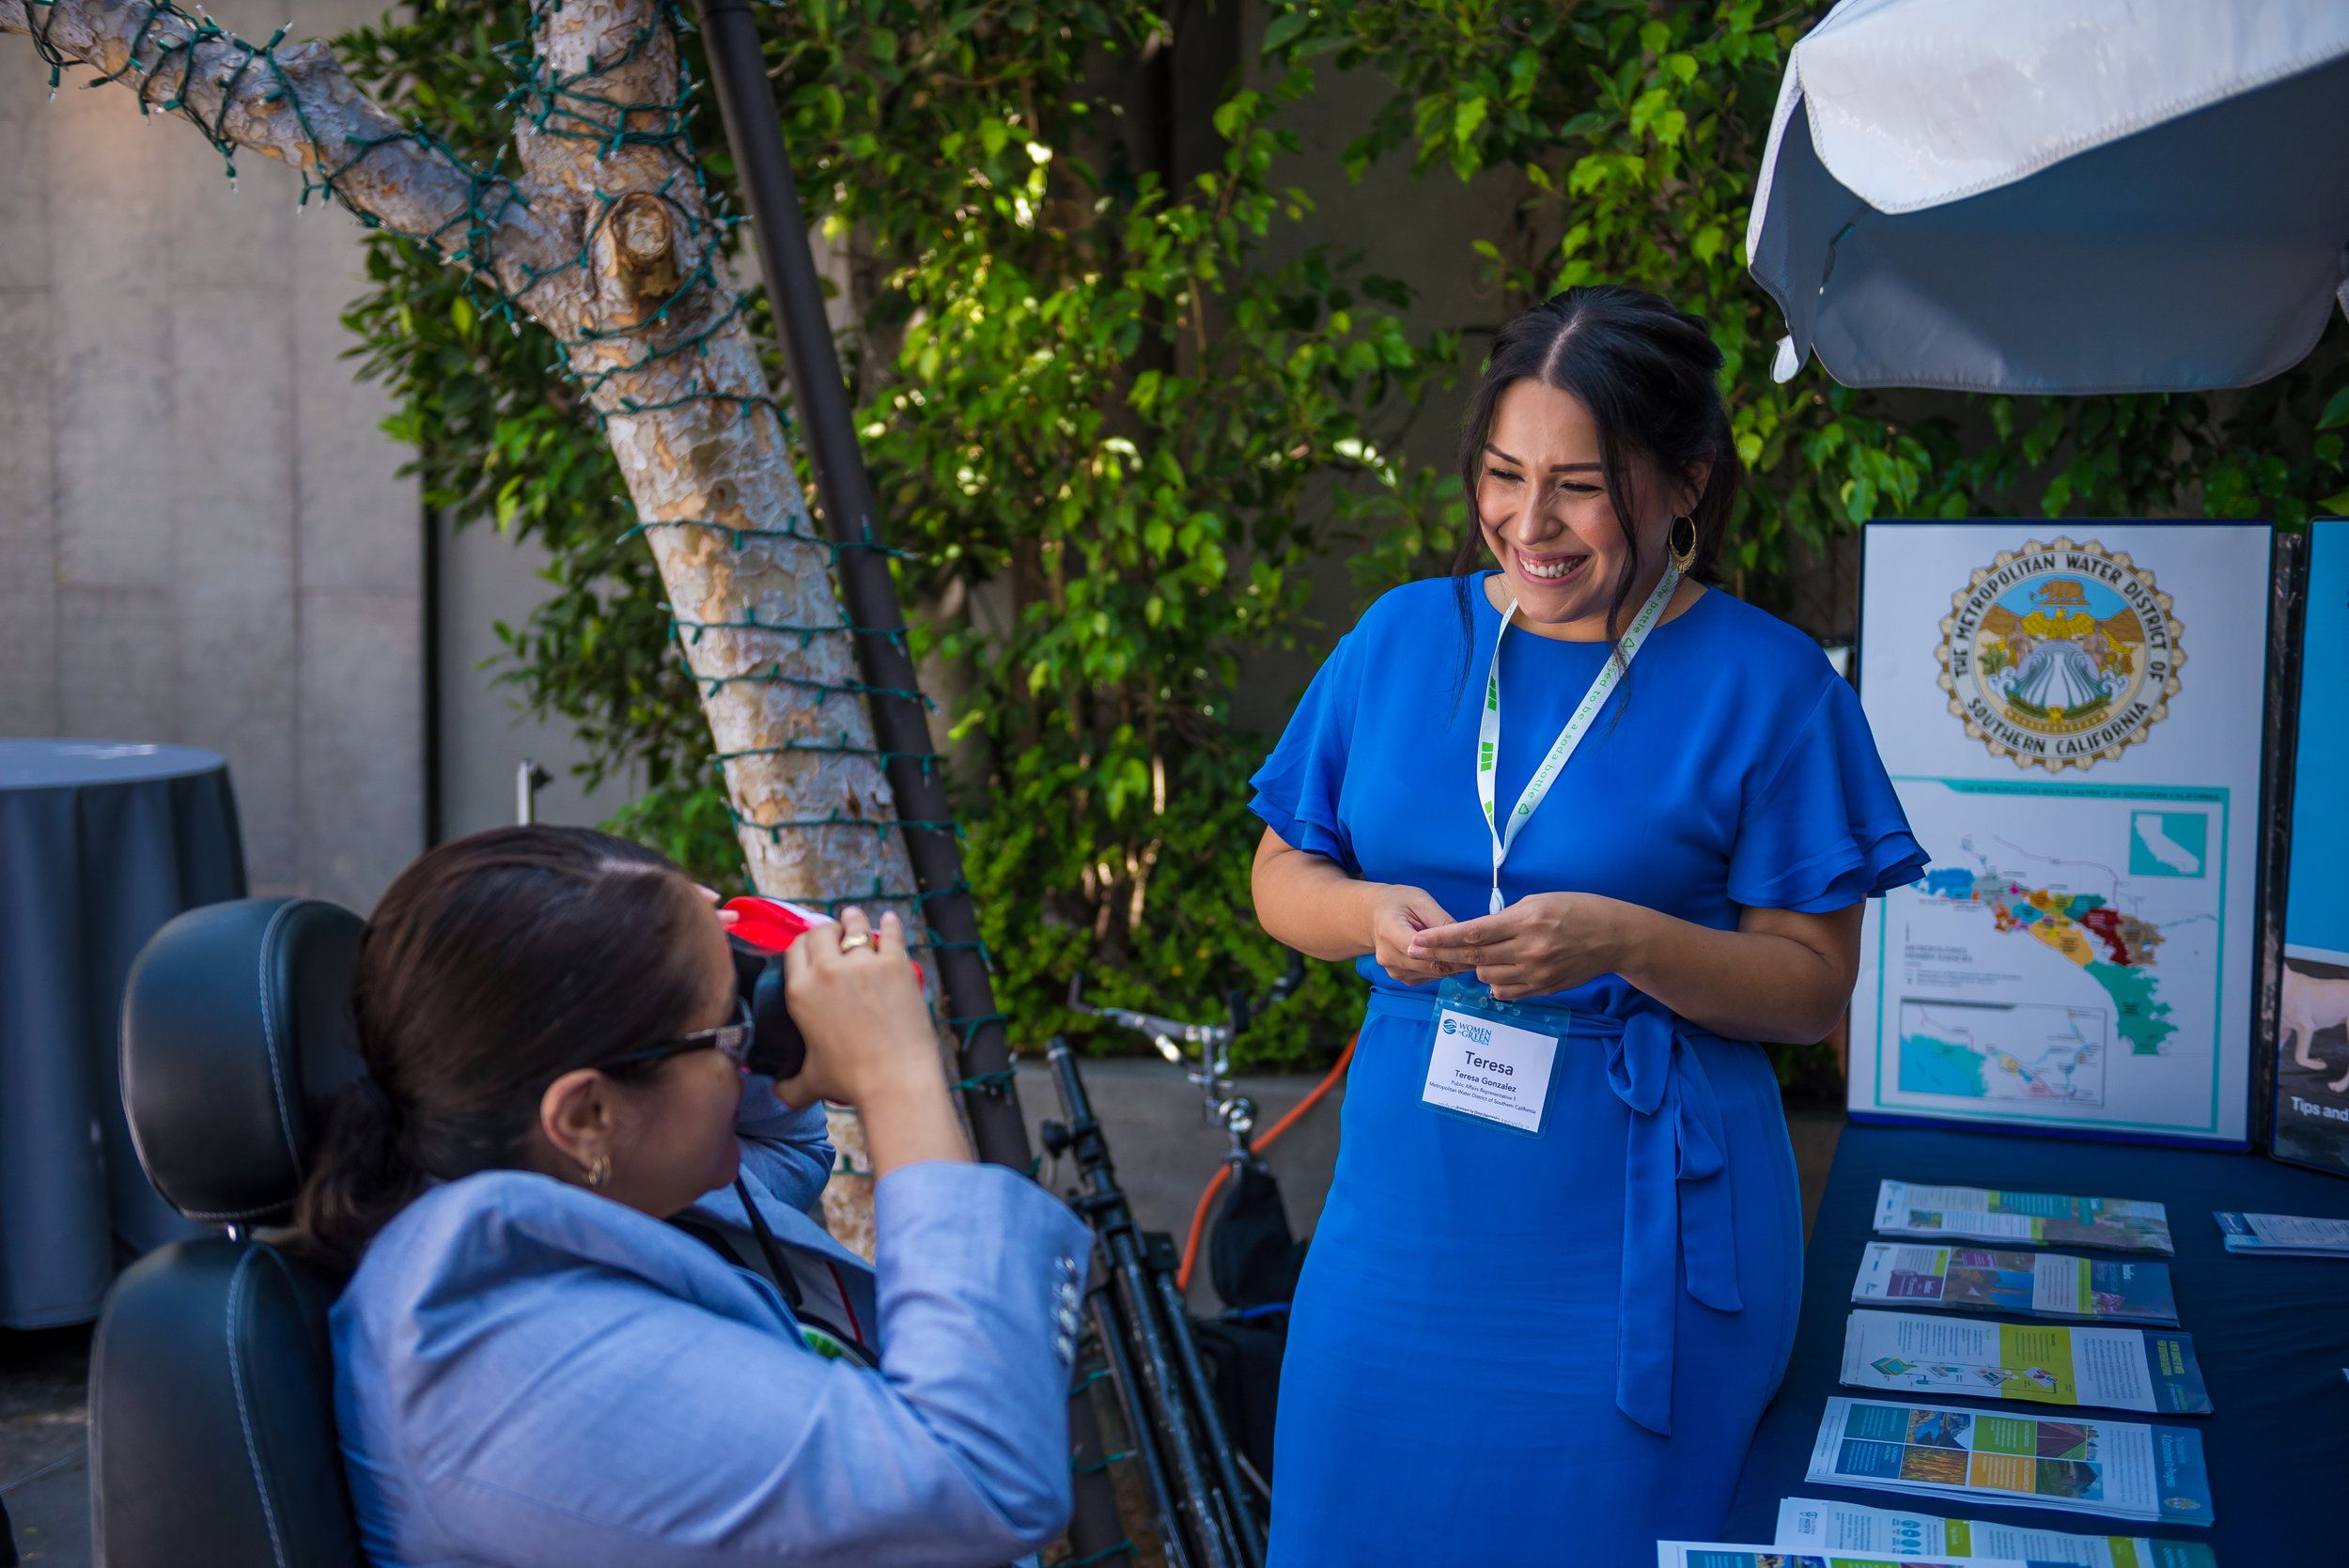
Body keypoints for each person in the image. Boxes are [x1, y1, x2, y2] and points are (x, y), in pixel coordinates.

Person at [1248, 286, 1925, 1564]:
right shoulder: (1401, 639)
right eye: (1505, 476)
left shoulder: (1767, 684)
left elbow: (1807, 990)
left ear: (1684, 484)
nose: (1529, 524)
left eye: (1581, 485)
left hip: (1642, 1244)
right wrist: (1360, 912)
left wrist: (1624, 942)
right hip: (1402, 1230)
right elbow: (1282, 868)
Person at [296, 826, 1090, 1568]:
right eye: (727, 1030)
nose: (748, 1045)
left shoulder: (557, 1187)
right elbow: (987, 1476)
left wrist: (693, 959)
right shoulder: (510, 1369)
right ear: (586, 1114)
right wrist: (897, 1073)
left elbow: (786, 1145)